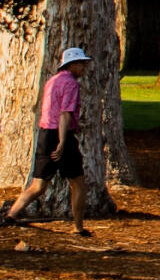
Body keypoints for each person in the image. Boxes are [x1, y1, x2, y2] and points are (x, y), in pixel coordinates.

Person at [3, 47, 94, 237]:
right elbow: (64, 114)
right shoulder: (71, 84)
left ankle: (11, 216)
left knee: (38, 185)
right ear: (73, 65)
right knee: (77, 182)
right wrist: (62, 142)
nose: (84, 68)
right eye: (82, 64)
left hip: (44, 134)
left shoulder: (52, 81)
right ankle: (78, 227)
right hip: (61, 135)